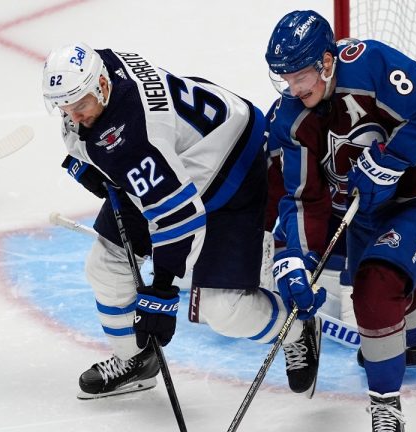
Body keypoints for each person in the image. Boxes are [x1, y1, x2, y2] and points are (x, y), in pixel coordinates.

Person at [41, 42, 322, 399]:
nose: (73, 116)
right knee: (105, 267)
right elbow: (97, 136)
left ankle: (297, 326)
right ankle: (136, 362)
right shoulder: (99, 68)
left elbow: (178, 217)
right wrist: (88, 162)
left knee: (224, 310)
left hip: (233, 168)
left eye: (80, 105)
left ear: (102, 86)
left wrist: (161, 291)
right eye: (65, 107)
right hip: (175, 159)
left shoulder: (136, 139)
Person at [264, 11, 416, 431]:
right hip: (366, 209)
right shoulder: (293, 118)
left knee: (375, 286)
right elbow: (305, 196)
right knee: (385, 289)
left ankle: (386, 406)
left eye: (299, 76)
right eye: (284, 79)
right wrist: (296, 260)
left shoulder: (373, 64)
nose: (292, 88)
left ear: (326, 62)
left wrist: (390, 161)